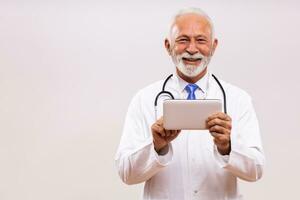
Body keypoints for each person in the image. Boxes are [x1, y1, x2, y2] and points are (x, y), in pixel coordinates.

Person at [115, 7, 265, 200]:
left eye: (201, 40)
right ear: (168, 46)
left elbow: (256, 170)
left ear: (213, 46)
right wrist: (156, 146)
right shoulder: (144, 99)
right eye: (183, 40)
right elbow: (126, 174)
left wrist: (227, 147)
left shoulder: (238, 98)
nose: (192, 49)